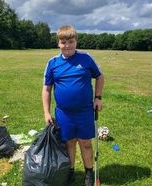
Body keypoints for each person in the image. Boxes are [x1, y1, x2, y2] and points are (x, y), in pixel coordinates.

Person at [42, 25, 104, 186]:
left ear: (76, 41)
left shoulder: (86, 58)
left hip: (84, 111)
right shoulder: (52, 63)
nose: (67, 45)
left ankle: (89, 173)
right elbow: (47, 89)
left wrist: (98, 97)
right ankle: (69, 171)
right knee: (69, 142)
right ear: (58, 44)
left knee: (85, 143)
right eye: (63, 42)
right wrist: (47, 113)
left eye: (71, 41)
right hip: (64, 113)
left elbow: (100, 77)